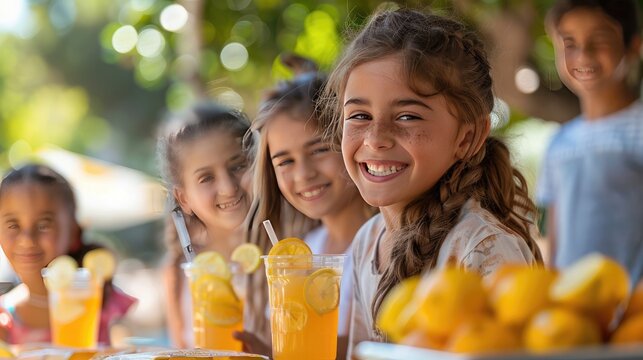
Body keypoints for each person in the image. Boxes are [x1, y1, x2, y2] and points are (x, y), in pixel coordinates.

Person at [319, 8, 544, 356]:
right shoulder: (368, 241)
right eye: (360, 116)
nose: (376, 138)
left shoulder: (481, 249)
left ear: (467, 138)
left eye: (407, 116)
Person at [233, 62, 374, 359]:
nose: (303, 174)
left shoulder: (385, 247)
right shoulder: (300, 255)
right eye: (285, 161)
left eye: (319, 150)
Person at [537, 0, 643, 284]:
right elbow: (555, 240)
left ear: (634, 46)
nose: (584, 54)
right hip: (573, 313)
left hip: (633, 313)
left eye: (600, 39)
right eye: (569, 44)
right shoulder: (559, 143)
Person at [0, 163, 136, 345]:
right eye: (13, 225)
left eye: (43, 225)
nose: (27, 240)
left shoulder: (101, 304)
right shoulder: (4, 319)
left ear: (73, 232)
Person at [157, 102, 254, 348]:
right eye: (206, 178)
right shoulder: (178, 273)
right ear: (184, 199)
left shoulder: (288, 256)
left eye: (238, 166)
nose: (228, 187)